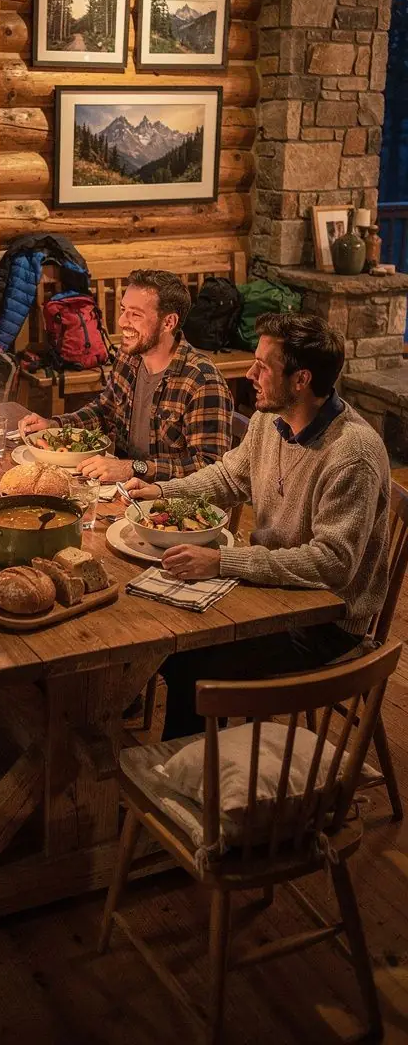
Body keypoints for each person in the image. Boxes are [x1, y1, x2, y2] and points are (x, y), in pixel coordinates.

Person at [126, 312, 392, 740]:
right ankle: (190, 755)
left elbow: (332, 565)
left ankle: (189, 771)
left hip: (324, 621)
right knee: (163, 628)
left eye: (263, 366)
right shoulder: (272, 419)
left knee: (189, 662)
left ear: (301, 379)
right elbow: (229, 477)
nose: (250, 374)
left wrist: (222, 562)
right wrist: (161, 492)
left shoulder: (352, 455)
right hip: (269, 592)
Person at [20, 269, 233, 485]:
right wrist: (54, 426)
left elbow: (210, 470)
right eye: (123, 310)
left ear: (168, 323)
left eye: (135, 314)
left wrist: (133, 468)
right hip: (122, 491)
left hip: (170, 499)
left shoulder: (202, 382)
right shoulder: (130, 356)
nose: (122, 321)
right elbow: (104, 412)